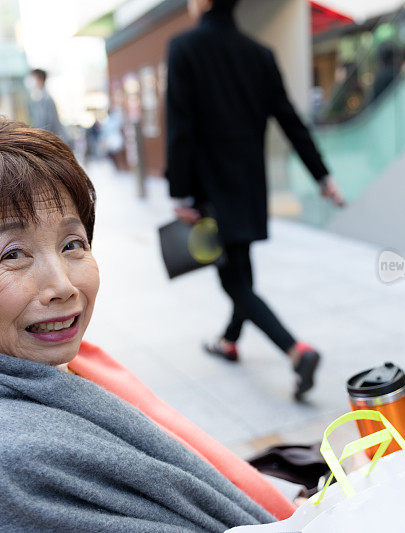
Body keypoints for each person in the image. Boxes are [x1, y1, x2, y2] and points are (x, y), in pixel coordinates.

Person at [0, 117, 292, 531]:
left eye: (72, 244)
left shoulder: (29, 375)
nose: (62, 285)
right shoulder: (3, 467)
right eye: (13, 255)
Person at [165, 0, 345, 401]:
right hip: (248, 188)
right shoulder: (258, 54)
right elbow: (290, 120)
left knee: (233, 282)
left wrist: (179, 191)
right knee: (241, 270)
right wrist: (323, 176)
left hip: (208, 190)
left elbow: (180, 126)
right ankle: (229, 341)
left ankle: (297, 351)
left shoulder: (184, 48)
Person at [28, 68, 65, 137]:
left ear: (40, 79)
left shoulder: (46, 99)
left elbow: (48, 124)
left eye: (33, 78)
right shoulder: (38, 98)